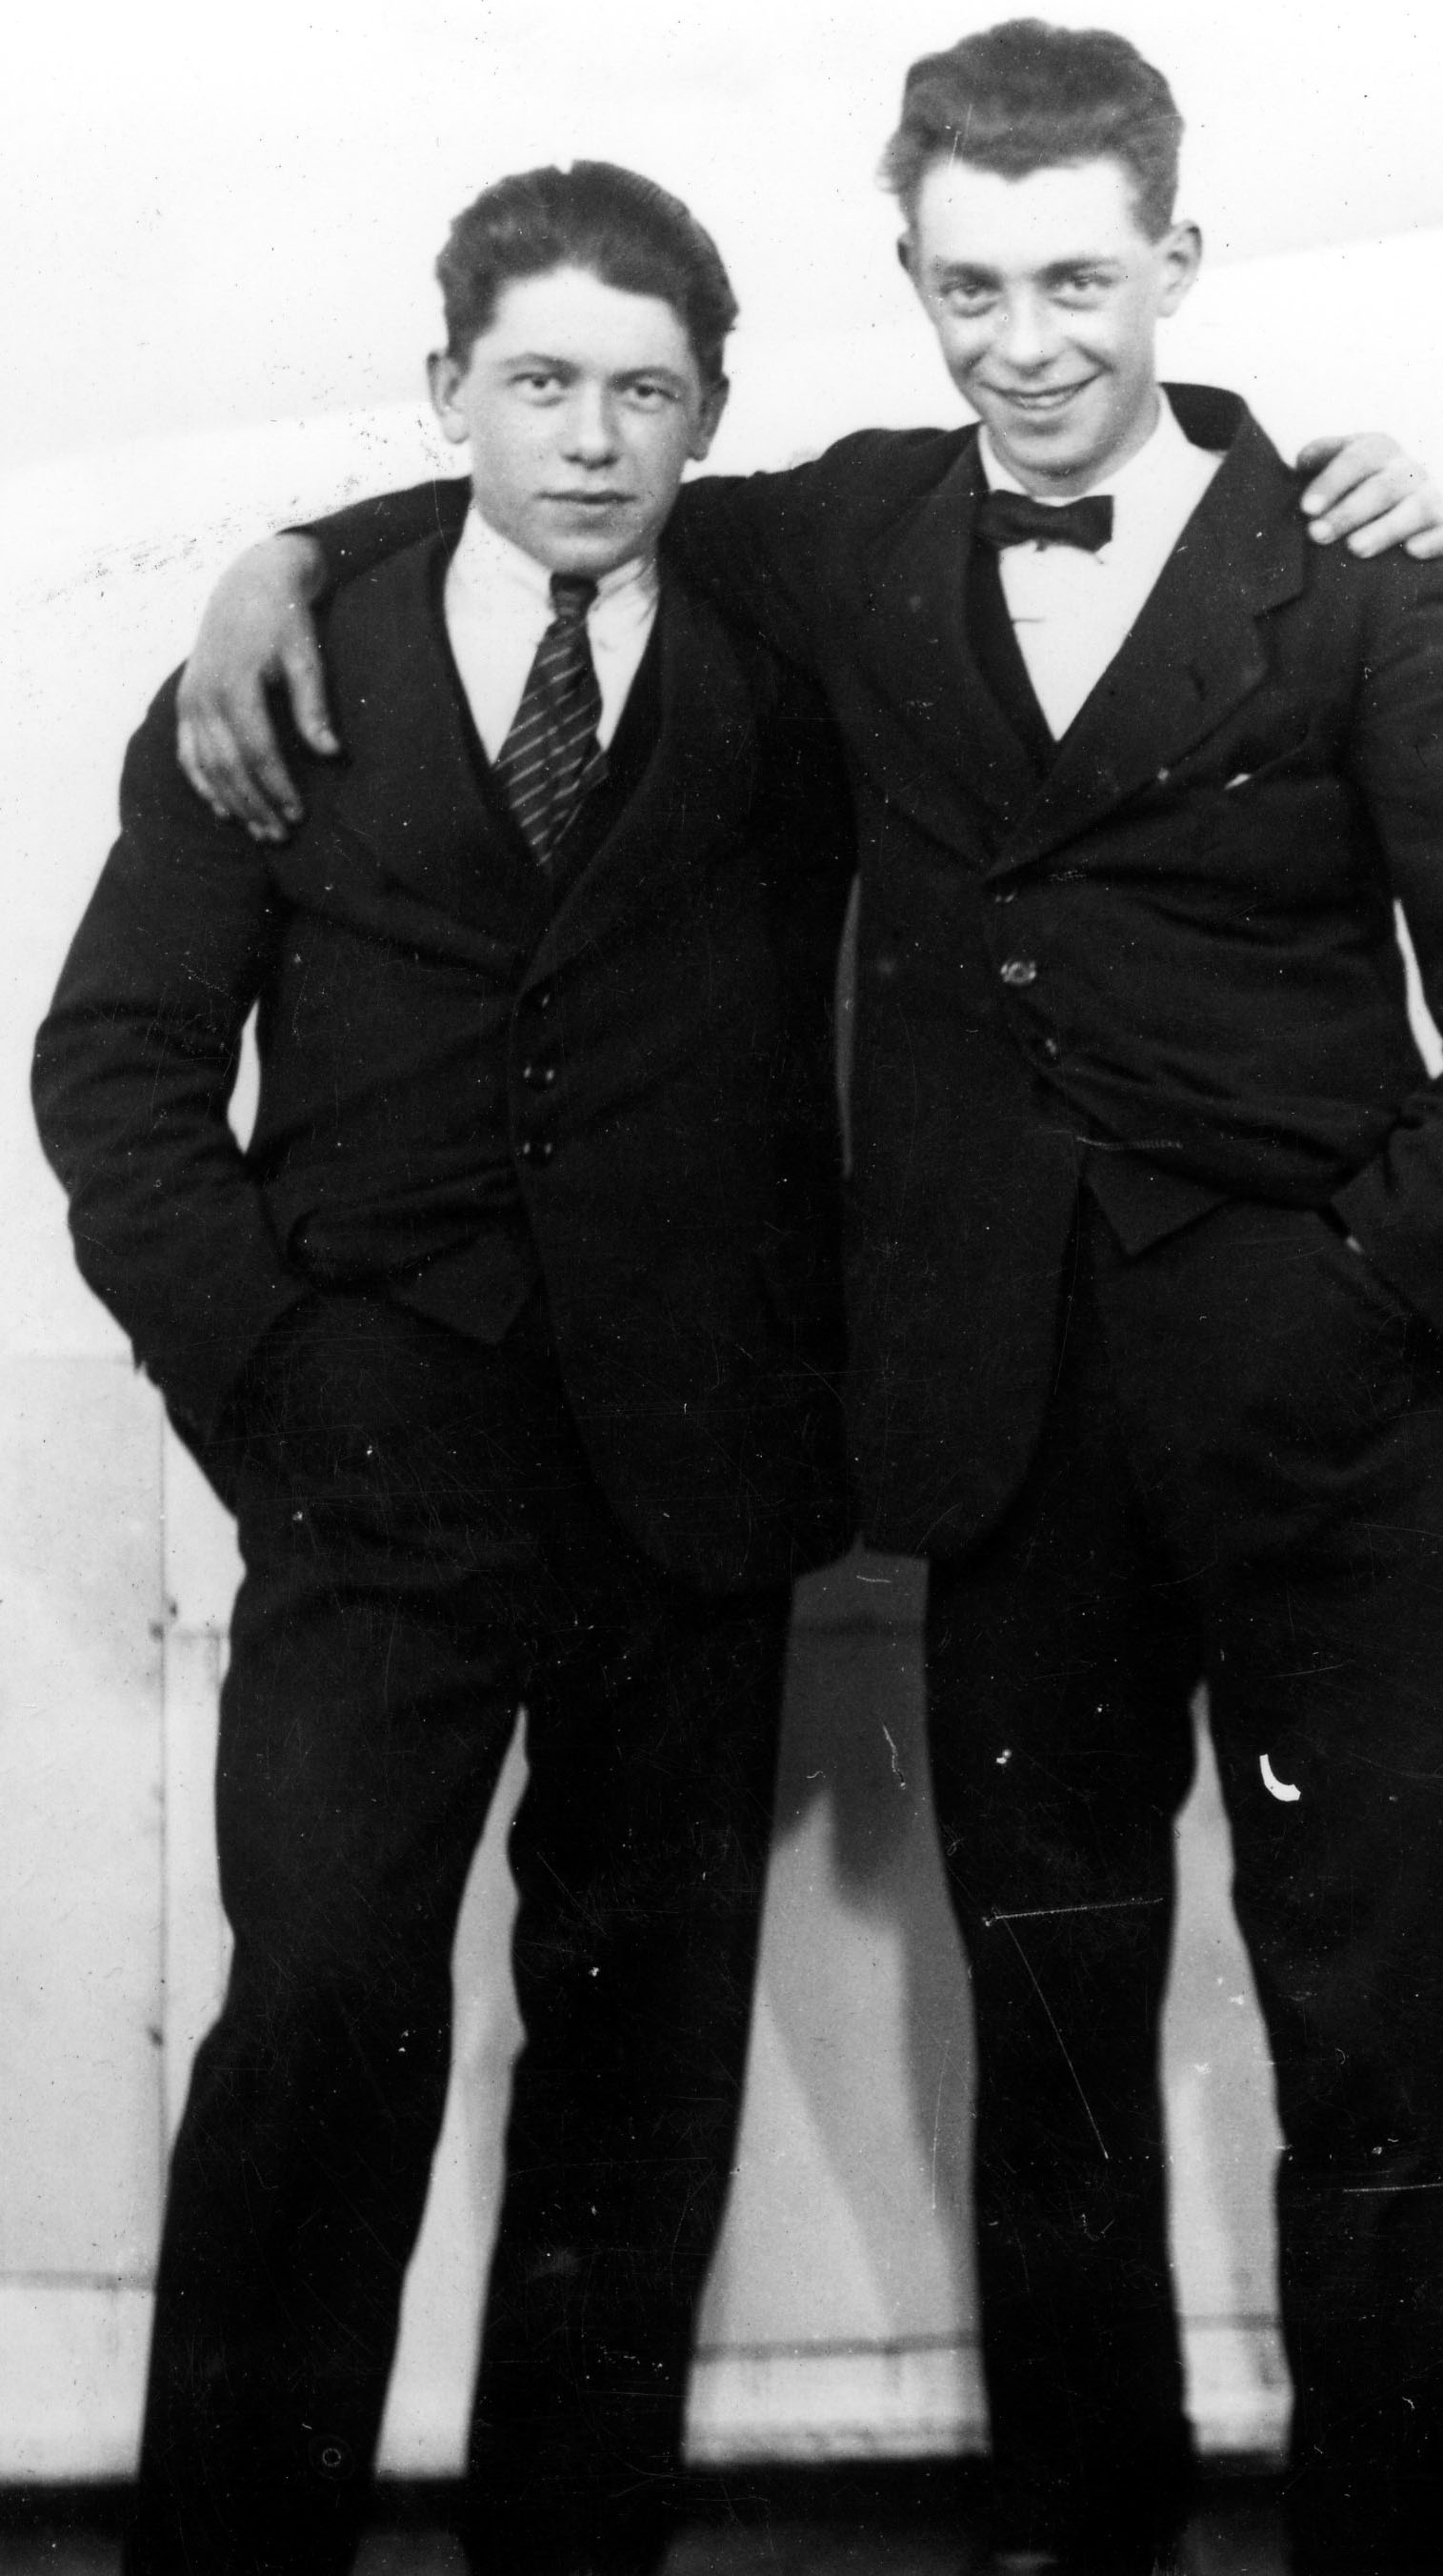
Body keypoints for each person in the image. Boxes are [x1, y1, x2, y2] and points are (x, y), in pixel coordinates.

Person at [170, 23, 1443, 2576]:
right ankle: (1076, 2535)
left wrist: (1350, 1289)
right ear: (913, 278)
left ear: (1177, 262)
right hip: (1000, 1439)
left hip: (1329, 1441)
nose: (1027, 340)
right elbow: (570, 473)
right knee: (1049, 2045)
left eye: (1078, 278)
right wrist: (280, 559)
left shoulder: (1346, 577)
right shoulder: (860, 531)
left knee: (1379, 2045)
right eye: (970, 287)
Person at [34, 162, 855, 2576]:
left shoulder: (790, 659)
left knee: (641, 2044)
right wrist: (279, 1381)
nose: (589, 438)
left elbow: (1022, 479)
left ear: (709, 413)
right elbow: (115, 1069)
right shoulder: (281, 673)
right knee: (317, 2019)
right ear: (443, 391)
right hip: (374, 1467)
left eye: (645, 391)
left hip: (688, 1470)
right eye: (537, 380)